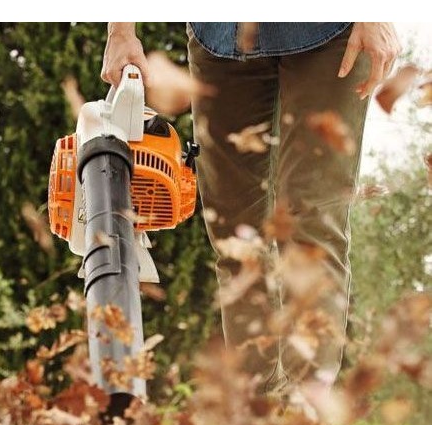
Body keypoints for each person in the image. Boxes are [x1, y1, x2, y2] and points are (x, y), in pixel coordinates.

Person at [101, 22, 400, 397]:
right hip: (220, 34)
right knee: (235, 243)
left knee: (311, 228)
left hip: (328, 28)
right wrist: (121, 31)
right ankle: (256, 410)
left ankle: (305, 414)